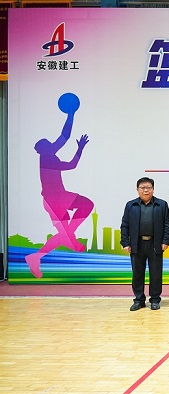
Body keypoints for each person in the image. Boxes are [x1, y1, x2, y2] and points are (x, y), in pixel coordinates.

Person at [26, 93, 94, 279]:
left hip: (58, 197)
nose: (53, 143)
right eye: (49, 143)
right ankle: (67, 239)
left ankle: (39, 255)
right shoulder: (47, 157)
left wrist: (71, 115)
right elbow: (71, 163)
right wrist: (79, 148)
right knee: (85, 207)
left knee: (71, 227)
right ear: (43, 148)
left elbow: (65, 136)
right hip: (54, 200)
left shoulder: (48, 154)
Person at [120, 177, 169, 311]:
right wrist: (125, 242)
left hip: (155, 244)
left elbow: (167, 224)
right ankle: (139, 300)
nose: (145, 190)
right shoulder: (131, 205)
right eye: (142, 188)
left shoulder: (162, 205)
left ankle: (155, 299)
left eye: (148, 187)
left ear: (153, 189)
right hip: (136, 244)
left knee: (156, 273)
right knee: (137, 273)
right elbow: (125, 224)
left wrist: (165, 241)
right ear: (137, 190)